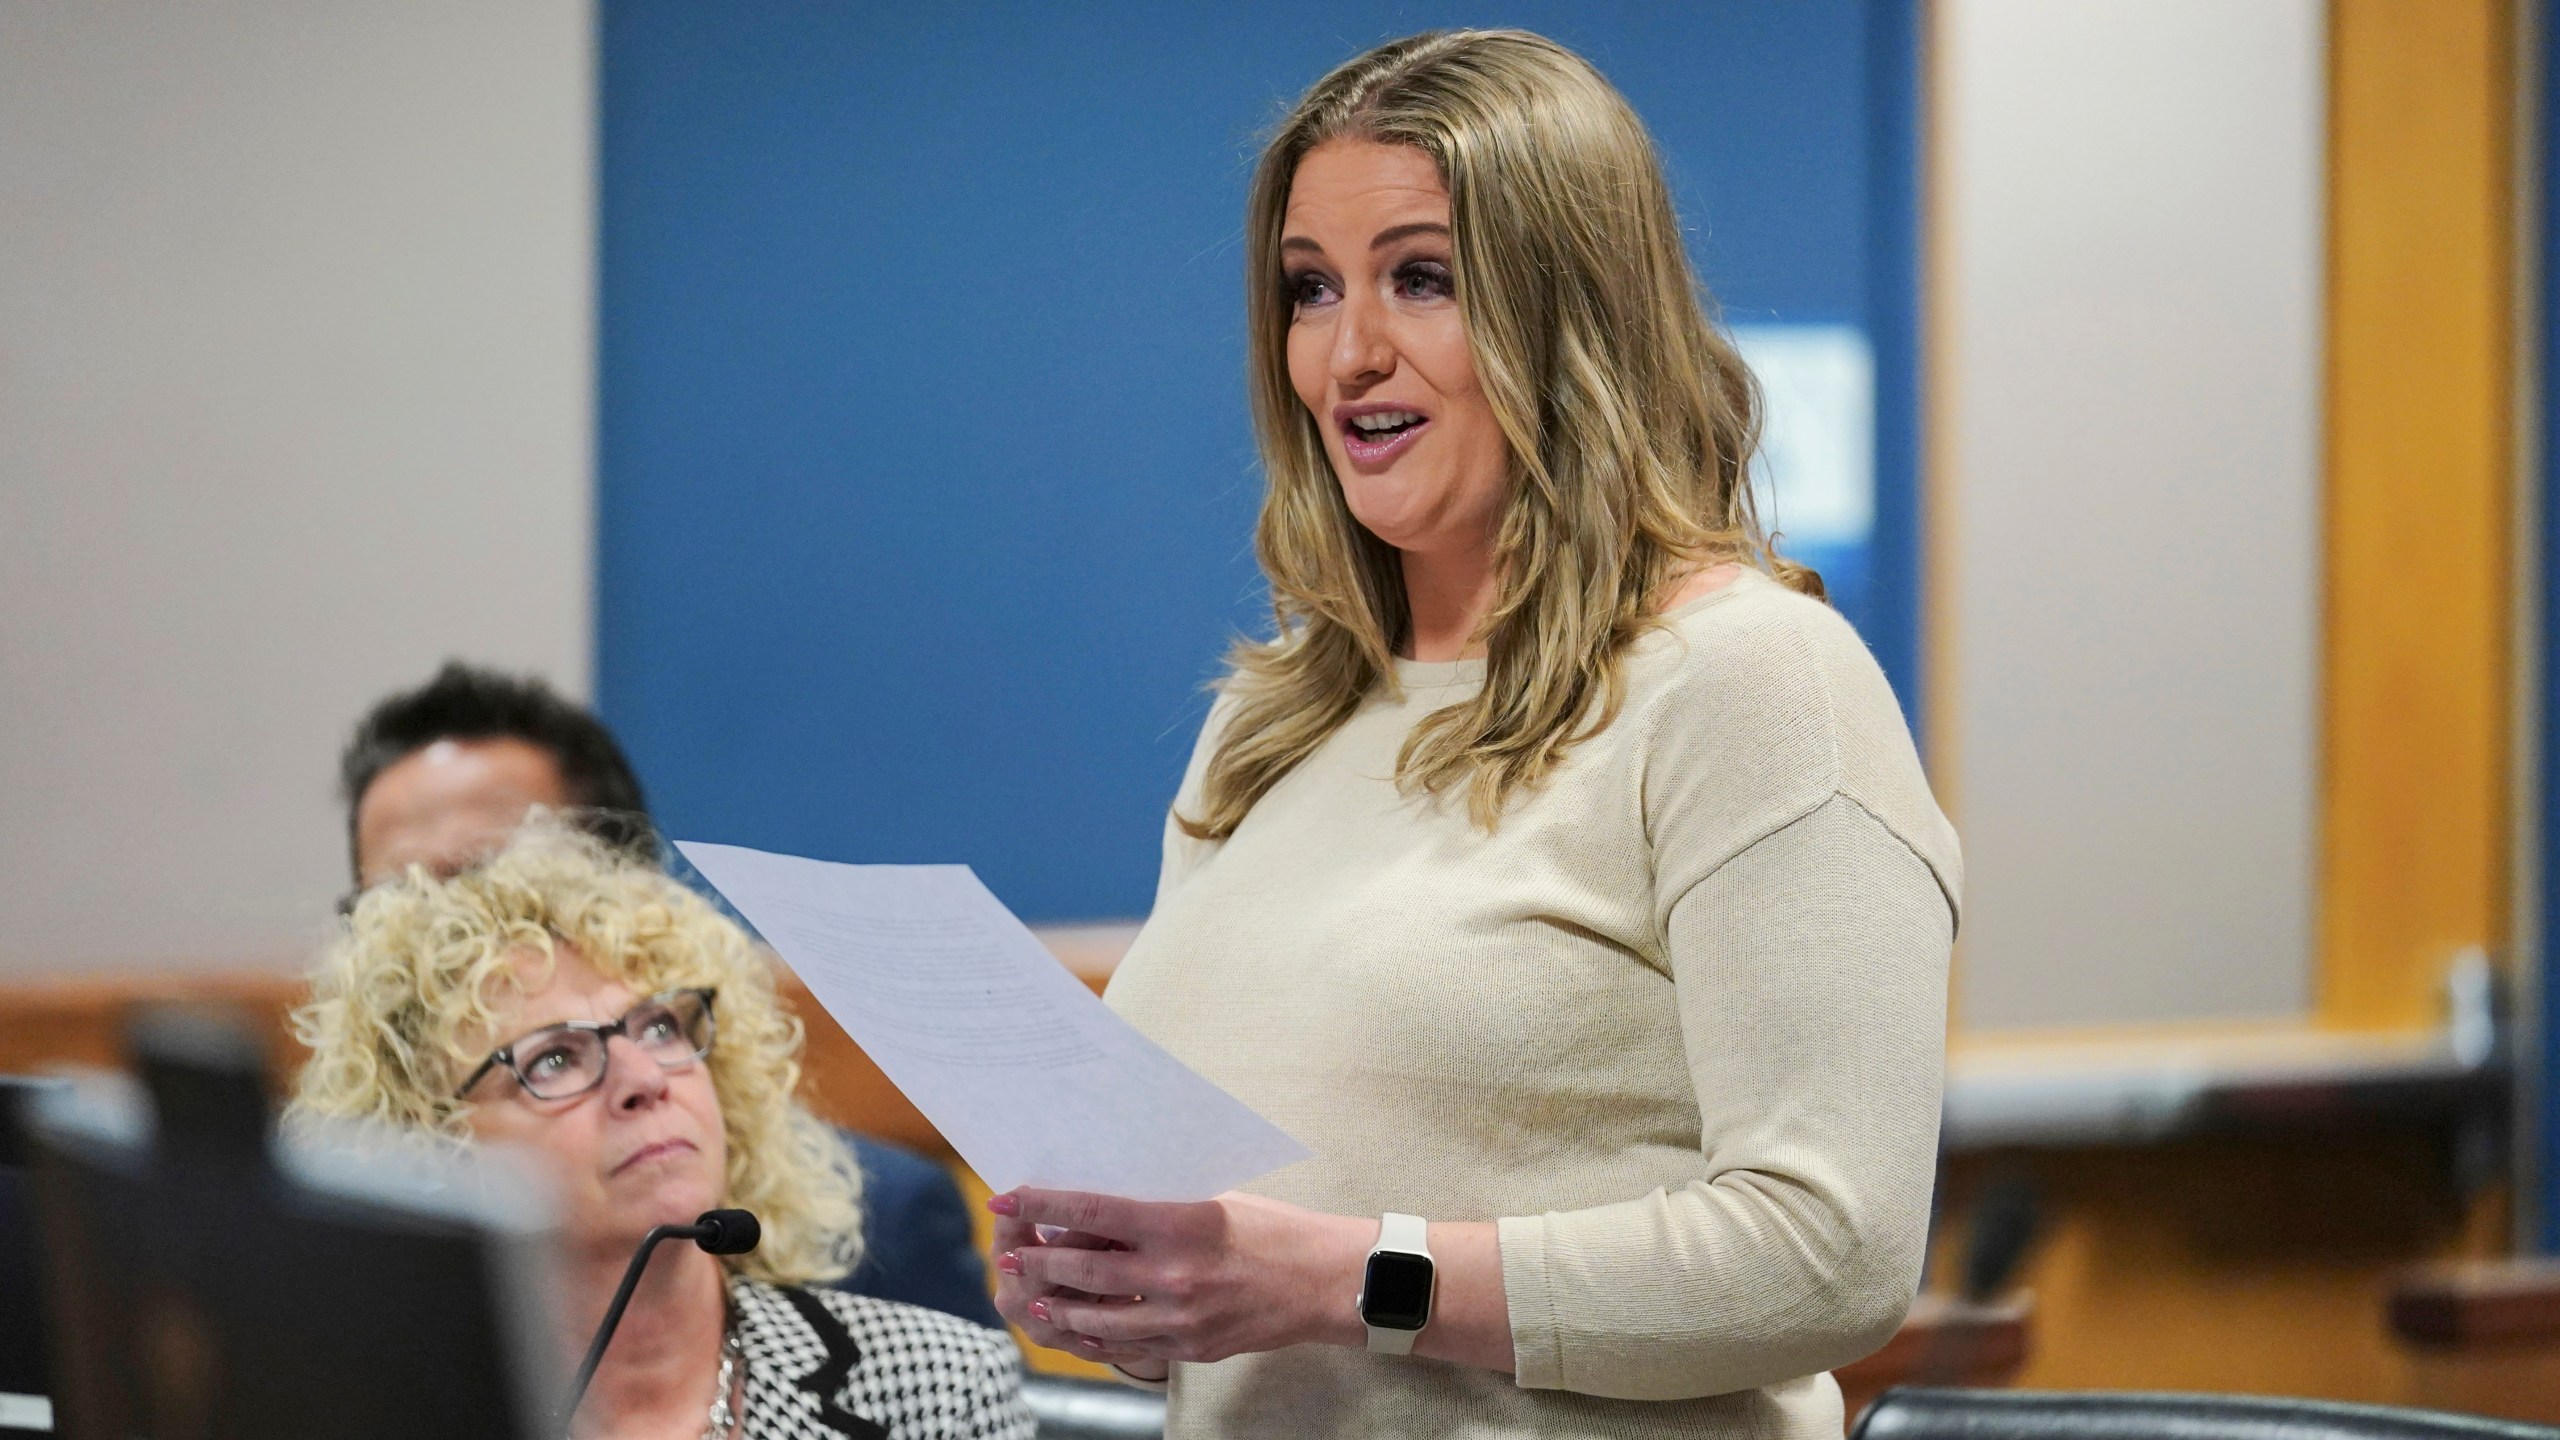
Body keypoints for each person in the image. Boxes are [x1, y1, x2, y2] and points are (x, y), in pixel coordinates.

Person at [989, 29, 1959, 1439]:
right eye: (1309, 289)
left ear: (1571, 313)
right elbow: (1269, 1280)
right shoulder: (1272, 723)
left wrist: (1353, 1279)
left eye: (1421, 279)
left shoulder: (1755, 683)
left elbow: (1832, 1253)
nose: (1349, 351)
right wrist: (1145, 1295)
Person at [289, 825, 1035, 1440]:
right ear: (429, 1146)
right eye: (553, 1059)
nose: (644, 1079)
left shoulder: (937, 1391)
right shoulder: (364, 1412)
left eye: (660, 1026)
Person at [339, 661, 1007, 1333]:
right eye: (398, 901)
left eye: (492, 876)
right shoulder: (350, 1275)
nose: (448, 925)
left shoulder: (884, 1229)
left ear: (616, 881)